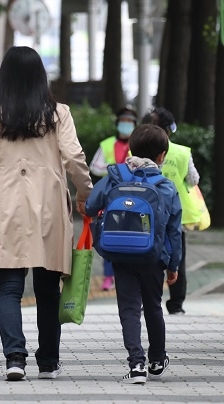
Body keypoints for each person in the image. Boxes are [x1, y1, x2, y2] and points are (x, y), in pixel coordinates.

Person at [0, 46, 93, 381]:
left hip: (2, 205)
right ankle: (48, 361)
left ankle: (14, 358)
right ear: (41, 76)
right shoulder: (57, 113)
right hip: (47, 204)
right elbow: (75, 157)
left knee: (7, 288)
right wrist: (85, 195)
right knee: (48, 288)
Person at [85, 124, 182, 384]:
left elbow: (90, 206)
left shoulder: (115, 176)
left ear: (130, 149)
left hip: (120, 254)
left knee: (129, 309)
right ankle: (157, 359)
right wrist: (174, 266)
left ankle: (136, 365)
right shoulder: (166, 187)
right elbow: (174, 231)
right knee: (153, 306)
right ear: (162, 156)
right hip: (153, 257)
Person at [142, 107, 200, 315]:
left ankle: (145, 301)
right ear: (168, 129)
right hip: (176, 216)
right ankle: (176, 305)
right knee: (177, 258)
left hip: (144, 216)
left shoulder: (136, 151)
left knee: (145, 257)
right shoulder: (183, 152)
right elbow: (193, 179)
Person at [89, 107, 138, 291]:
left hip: (134, 197)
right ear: (117, 124)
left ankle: (128, 275)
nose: (126, 125)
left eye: (130, 122)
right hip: (110, 197)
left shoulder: (138, 144)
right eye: (123, 121)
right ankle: (108, 277)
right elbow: (94, 166)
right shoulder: (107, 144)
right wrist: (114, 169)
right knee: (108, 235)